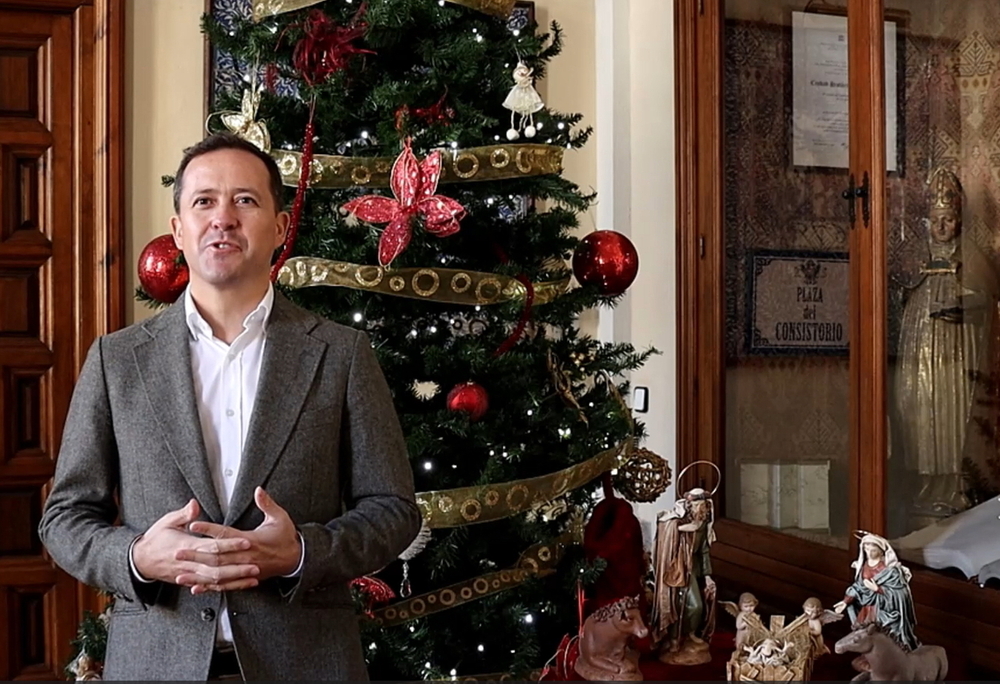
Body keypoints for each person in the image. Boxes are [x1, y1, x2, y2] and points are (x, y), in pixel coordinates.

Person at [38, 132, 422, 681]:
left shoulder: (342, 354)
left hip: (305, 663)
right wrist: (137, 558)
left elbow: (393, 509)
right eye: (204, 201)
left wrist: (299, 554)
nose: (223, 217)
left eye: (245, 200)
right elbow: (64, 517)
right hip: (155, 663)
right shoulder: (117, 360)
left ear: (281, 226)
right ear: (178, 230)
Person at [893, 167, 1000, 521]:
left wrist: (965, 307)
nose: (942, 228)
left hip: (958, 355)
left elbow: (989, 301)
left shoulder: (972, 257)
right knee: (922, 415)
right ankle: (926, 488)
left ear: (959, 221)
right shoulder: (916, 257)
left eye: (949, 220)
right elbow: (898, 291)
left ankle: (956, 487)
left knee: (954, 418)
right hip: (922, 356)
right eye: (936, 220)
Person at [649, 487, 717, 665]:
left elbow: (703, 552)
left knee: (695, 606)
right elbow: (667, 530)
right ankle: (673, 639)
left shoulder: (703, 525)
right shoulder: (676, 520)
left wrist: (708, 576)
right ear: (690, 505)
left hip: (692, 567)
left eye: (704, 506)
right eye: (698, 505)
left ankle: (690, 634)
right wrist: (685, 528)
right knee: (676, 604)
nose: (701, 509)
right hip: (676, 567)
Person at [833, 533, 920, 652]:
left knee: (884, 639)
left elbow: (901, 593)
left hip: (883, 610)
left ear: (881, 552)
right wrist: (845, 601)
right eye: (866, 549)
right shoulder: (864, 566)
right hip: (868, 608)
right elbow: (859, 586)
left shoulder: (890, 571)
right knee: (865, 636)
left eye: (873, 550)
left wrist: (878, 589)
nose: (869, 553)